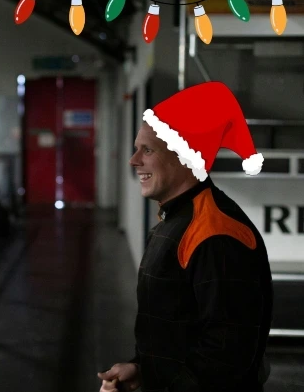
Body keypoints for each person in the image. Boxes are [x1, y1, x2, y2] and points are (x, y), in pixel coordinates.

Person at [98, 82, 273, 392]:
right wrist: (142, 371)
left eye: (147, 149)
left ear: (183, 155)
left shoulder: (215, 233)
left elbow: (225, 358)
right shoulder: (178, 219)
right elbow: (176, 330)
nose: (134, 160)